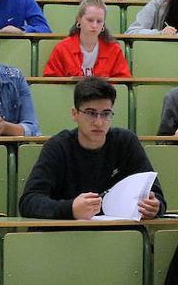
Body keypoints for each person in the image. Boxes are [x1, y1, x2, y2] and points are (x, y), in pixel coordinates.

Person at [18, 77, 166, 219]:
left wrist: (155, 206)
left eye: (106, 114)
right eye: (90, 113)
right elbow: (29, 201)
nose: (99, 122)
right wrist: (70, 209)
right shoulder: (58, 147)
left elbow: (155, 193)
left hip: (116, 234)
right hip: (66, 235)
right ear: (75, 114)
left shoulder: (126, 142)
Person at [42, 0, 131, 78]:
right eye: (90, 20)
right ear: (79, 20)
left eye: (99, 21)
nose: (94, 25)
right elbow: (51, 81)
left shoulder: (114, 50)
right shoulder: (62, 48)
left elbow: (123, 82)